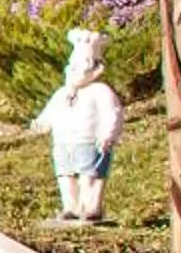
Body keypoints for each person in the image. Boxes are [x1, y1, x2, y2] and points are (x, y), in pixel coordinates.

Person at [30, 27, 124, 224]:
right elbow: (51, 111)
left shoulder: (100, 91)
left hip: (89, 141)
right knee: (65, 175)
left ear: (96, 70)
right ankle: (70, 207)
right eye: (71, 66)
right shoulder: (63, 93)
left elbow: (112, 113)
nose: (71, 71)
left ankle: (91, 207)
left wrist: (109, 134)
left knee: (90, 176)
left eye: (78, 67)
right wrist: (42, 123)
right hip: (63, 142)